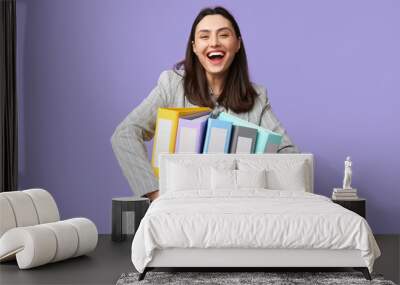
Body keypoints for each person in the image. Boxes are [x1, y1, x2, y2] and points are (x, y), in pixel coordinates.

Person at [111, 6, 299, 202]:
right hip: (182, 207)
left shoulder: (257, 97)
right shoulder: (171, 85)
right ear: (194, 47)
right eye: (204, 36)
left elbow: (290, 154)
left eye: (224, 35)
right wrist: (155, 193)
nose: (214, 43)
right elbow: (124, 134)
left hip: (237, 206)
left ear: (237, 44)